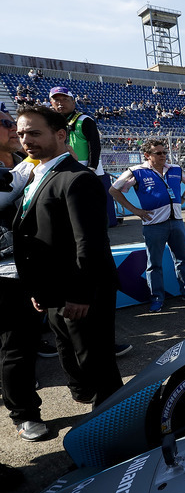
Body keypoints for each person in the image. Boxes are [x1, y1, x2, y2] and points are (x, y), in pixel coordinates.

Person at [13, 105, 122, 407]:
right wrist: (38, 290)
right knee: (71, 357)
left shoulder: (77, 178)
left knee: (97, 365)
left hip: (81, 294)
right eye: (22, 133)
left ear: (61, 135)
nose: (26, 140)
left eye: (35, 133)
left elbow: (89, 243)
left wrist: (80, 294)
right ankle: (91, 412)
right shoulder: (37, 175)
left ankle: (113, 430)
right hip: (53, 293)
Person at [109, 139, 185, 313]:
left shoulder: (174, 169)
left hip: (177, 221)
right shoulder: (136, 171)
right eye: (158, 153)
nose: (163, 156)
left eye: (164, 152)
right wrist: (134, 210)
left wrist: (182, 199)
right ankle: (157, 298)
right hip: (153, 225)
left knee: (182, 259)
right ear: (147, 155)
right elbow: (114, 189)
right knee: (154, 264)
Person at [0, 104, 49, 441]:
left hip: (32, 267)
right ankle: (24, 413)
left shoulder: (22, 165)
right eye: (7, 124)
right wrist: (26, 172)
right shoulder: (21, 169)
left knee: (28, 343)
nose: (16, 131)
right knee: (14, 347)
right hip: (3, 272)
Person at [48, 86, 118, 227]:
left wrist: (91, 168)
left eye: (65, 99)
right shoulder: (51, 123)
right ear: (51, 103)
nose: (60, 103)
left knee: (92, 209)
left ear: (73, 102)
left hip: (87, 170)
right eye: (56, 100)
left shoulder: (84, 120)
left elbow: (95, 145)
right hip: (64, 171)